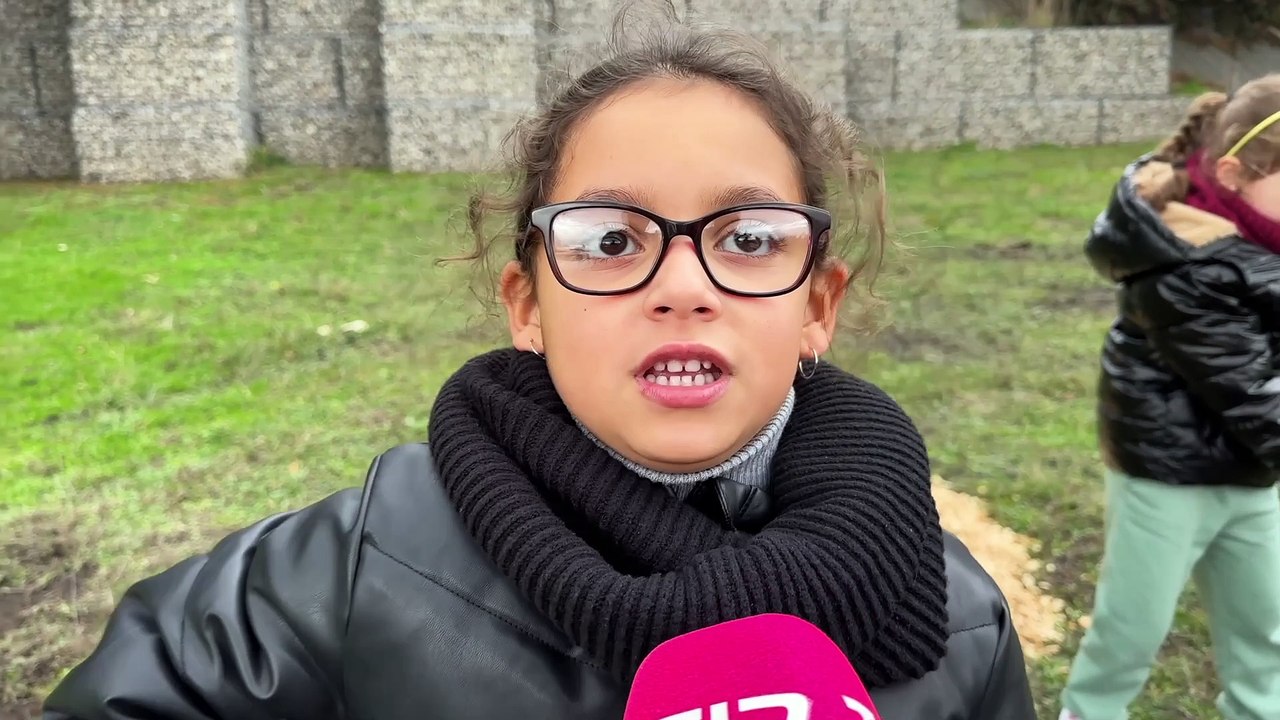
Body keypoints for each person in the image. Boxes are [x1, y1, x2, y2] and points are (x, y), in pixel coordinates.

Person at [43, 4, 1035, 718]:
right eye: (609, 241)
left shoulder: (950, 618)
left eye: (746, 240)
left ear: (818, 304)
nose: (682, 285)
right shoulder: (354, 570)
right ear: (527, 304)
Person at [1059, 75, 1280, 720]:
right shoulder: (1185, 265)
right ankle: (1091, 711)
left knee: (1266, 627)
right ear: (1235, 173)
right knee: (1132, 630)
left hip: (1253, 476)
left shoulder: (1264, 241)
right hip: (1168, 478)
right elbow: (1254, 396)